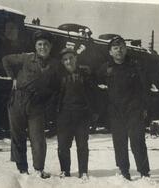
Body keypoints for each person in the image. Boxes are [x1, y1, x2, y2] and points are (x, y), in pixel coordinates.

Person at [2, 30, 59, 179]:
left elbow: (56, 86)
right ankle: (22, 169)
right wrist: (13, 78)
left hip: (37, 104)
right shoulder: (26, 58)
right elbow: (6, 60)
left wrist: (47, 100)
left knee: (38, 138)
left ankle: (39, 169)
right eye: (39, 44)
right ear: (35, 46)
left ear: (50, 46)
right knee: (17, 136)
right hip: (18, 100)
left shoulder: (54, 64)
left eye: (46, 44)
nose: (42, 47)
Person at [97, 35, 150, 180]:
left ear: (126, 49)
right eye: (115, 48)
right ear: (110, 52)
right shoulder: (105, 68)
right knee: (119, 143)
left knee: (137, 141)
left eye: (121, 47)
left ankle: (144, 172)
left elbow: (144, 88)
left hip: (134, 110)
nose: (119, 50)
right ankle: (124, 171)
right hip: (115, 112)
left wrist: (144, 108)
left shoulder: (135, 65)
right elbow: (96, 87)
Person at [56, 48, 94, 181]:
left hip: (82, 115)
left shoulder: (85, 73)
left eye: (71, 58)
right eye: (65, 59)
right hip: (64, 115)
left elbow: (93, 93)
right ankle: (65, 170)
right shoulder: (59, 76)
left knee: (82, 144)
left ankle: (83, 171)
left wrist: (93, 112)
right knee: (63, 145)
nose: (68, 61)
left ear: (76, 58)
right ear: (62, 62)